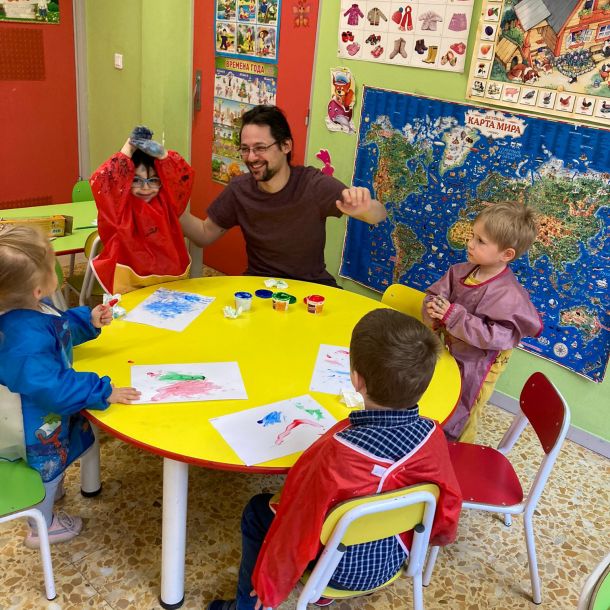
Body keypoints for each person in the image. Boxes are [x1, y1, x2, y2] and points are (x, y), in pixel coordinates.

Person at [206, 309, 462, 610]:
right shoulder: (434, 435)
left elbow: (295, 528)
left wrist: (269, 586)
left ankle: (247, 607)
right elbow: (448, 503)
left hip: (335, 570)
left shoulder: (335, 453)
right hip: (398, 555)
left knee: (256, 510)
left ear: (356, 379)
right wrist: (439, 537)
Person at [0, 225, 141, 548]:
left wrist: (87, 320)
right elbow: (55, 389)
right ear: (38, 288)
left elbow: (57, 327)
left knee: (53, 465)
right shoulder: (23, 339)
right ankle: (42, 527)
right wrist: (101, 390)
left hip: (42, 414)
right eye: (52, 264)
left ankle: (48, 493)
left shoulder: (30, 308)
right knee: (45, 469)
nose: (57, 269)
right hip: (33, 425)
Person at [181, 105, 387, 287]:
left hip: (311, 288)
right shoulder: (239, 189)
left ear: (286, 146)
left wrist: (365, 208)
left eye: (260, 148)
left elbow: (379, 215)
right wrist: (170, 205)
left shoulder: (313, 185)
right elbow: (204, 234)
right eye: (245, 149)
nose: (251, 157)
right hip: (259, 287)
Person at [422, 201, 542, 442]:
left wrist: (452, 315)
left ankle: (459, 448)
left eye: (480, 241)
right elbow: (435, 294)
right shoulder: (460, 271)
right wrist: (433, 306)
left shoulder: (509, 296)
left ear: (506, 254)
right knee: (443, 393)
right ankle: (432, 438)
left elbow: (498, 337)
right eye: (472, 236)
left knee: (465, 409)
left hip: (481, 364)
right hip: (454, 350)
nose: (470, 243)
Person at [90, 125, 194, 295]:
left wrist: (164, 156)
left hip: (168, 277)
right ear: (126, 180)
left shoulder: (168, 201)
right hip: (130, 281)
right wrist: (128, 148)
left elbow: (182, 180)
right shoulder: (119, 207)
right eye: (137, 181)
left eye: (153, 180)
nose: (146, 188)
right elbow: (105, 181)